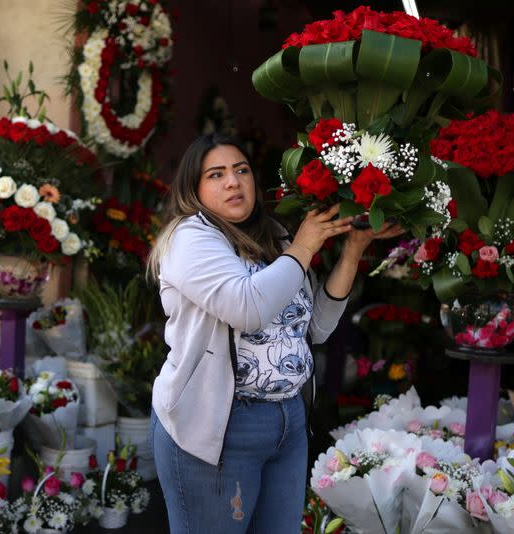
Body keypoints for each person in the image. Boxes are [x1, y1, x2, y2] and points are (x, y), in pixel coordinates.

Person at [147, 133, 403, 533]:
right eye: (216, 175)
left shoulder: (274, 236)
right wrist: (304, 246)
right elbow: (247, 309)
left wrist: (353, 249)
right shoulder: (189, 238)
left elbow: (316, 326)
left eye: (241, 170)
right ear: (193, 190)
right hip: (219, 426)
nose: (233, 182)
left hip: (288, 420)